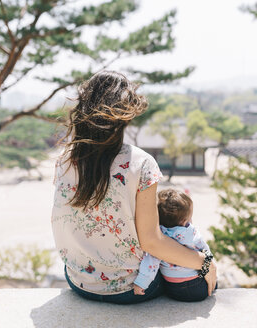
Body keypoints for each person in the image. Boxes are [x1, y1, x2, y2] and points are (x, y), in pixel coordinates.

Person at [51, 70, 217, 304]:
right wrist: (205, 262)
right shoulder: (141, 163)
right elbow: (152, 242)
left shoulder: (65, 160)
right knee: (196, 281)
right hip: (127, 289)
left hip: (79, 281)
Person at [133, 189, 216, 302]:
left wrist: (141, 284)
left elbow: (150, 263)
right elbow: (205, 251)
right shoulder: (190, 233)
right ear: (183, 221)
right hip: (196, 287)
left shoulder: (157, 236)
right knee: (214, 283)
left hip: (173, 288)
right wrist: (209, 267)